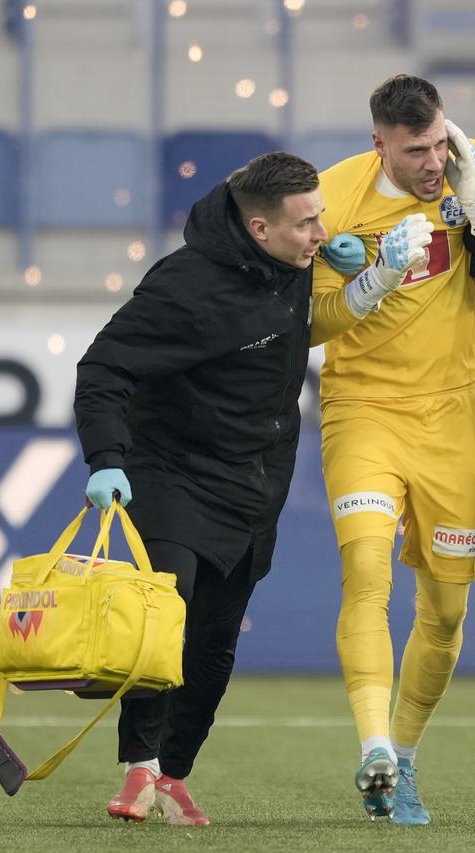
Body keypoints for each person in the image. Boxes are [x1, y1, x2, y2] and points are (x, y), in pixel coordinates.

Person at [73, 152, 432, 826]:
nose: (322, 232)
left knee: (213, 642)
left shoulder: (295, 262)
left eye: (323, 216)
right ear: (259, 229)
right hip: (171, 468)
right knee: (163, 614)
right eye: (307, 224)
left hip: (253, 481)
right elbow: (102, 367)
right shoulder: (182, 287)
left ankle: (175, 775)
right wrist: (105, 458)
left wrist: (369, 269)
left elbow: (309, 322)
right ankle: (138, 766)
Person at [308, 74, 475, 824]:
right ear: (379, 143)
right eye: (416, 151)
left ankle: (405, 757)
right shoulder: (331, 197)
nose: (433, 161)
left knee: (445, 610)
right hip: (363, 409)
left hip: (452, 413)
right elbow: (304, 326)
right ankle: (374, 745)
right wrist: (370, 282)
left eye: (440, 141)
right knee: (368, 570)